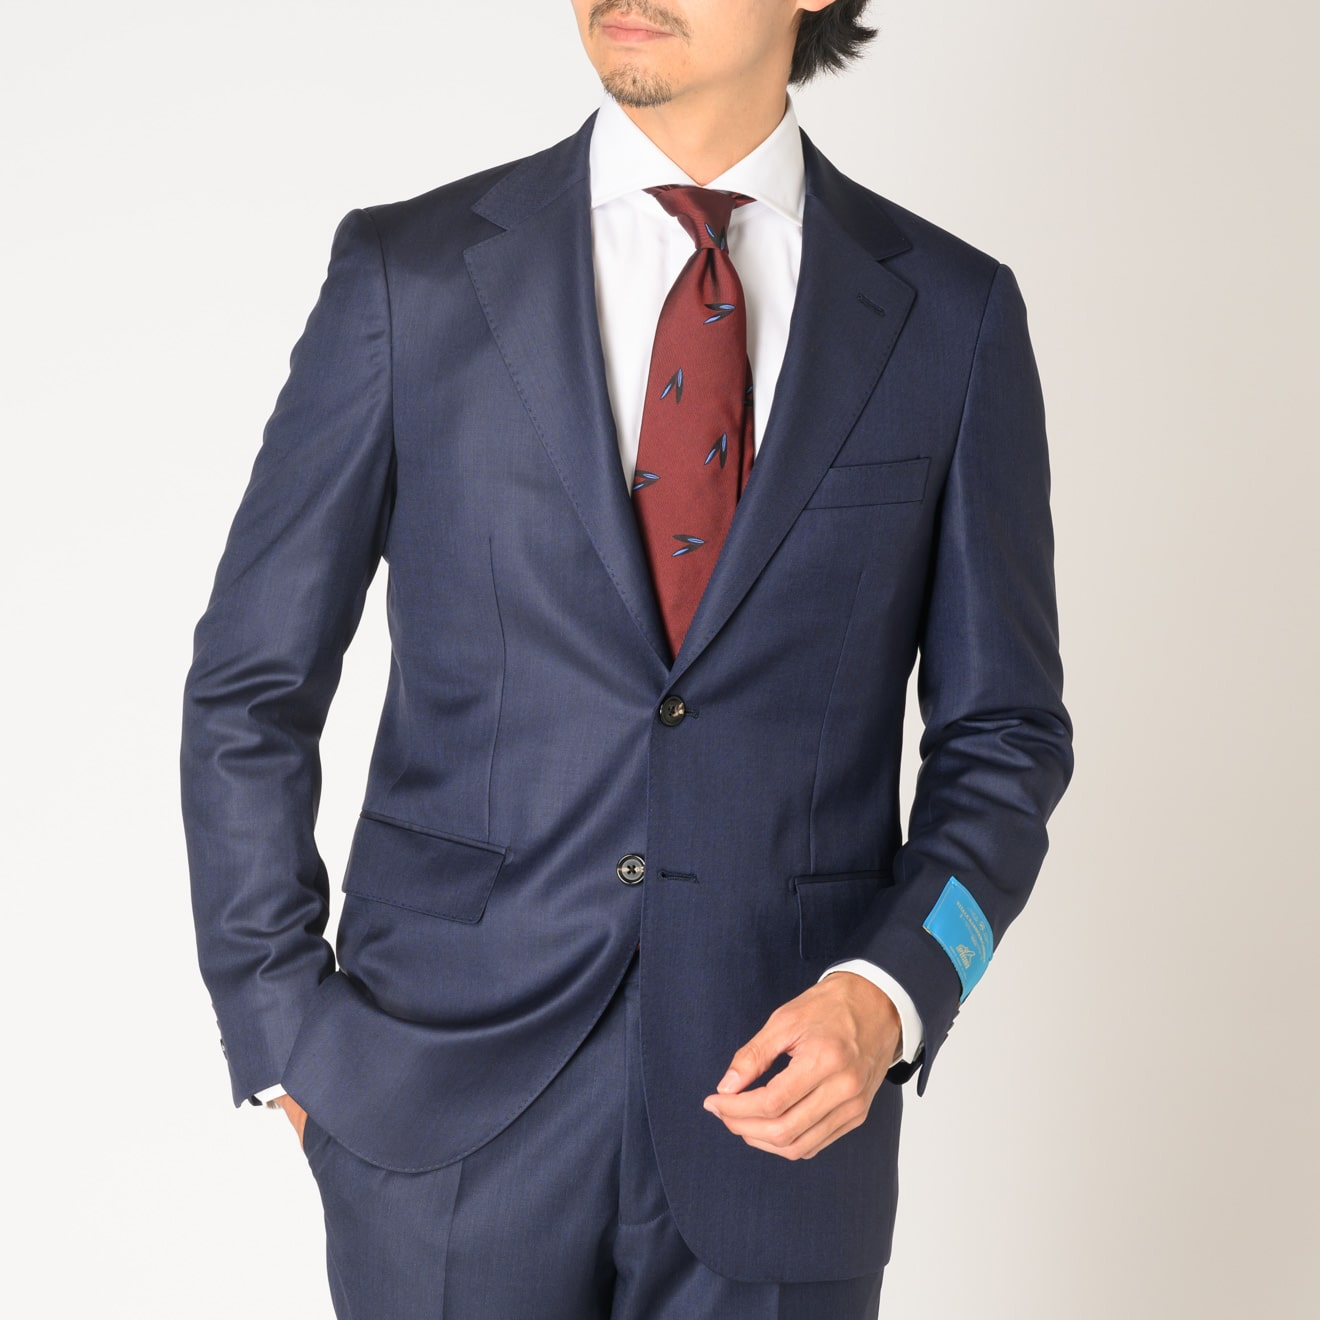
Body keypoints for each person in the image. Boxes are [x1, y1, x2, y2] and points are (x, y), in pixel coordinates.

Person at [181, 2, 1073, 1315]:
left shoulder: (950, 314)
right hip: (436, 1120)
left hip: (779, 1129)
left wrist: (895, 992)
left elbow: (1007, 743)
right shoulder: (414, 276)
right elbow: (248, 687)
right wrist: (283, 1032)